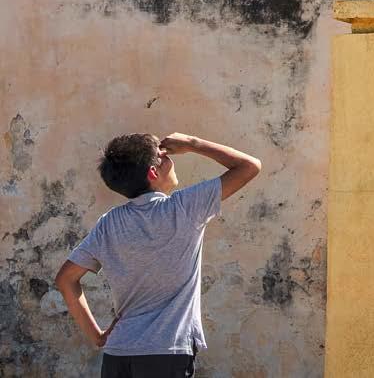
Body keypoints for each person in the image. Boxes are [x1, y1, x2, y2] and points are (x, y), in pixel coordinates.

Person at [54, 132, 262, 377]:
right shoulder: (183, 208)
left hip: (118, 354)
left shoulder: (109, 223)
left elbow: (65, 279)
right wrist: (192, 144)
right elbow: (249, 166)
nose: (171, 160)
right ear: (153, 172)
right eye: (164, 156)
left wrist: (98, 337)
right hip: (166, 352)